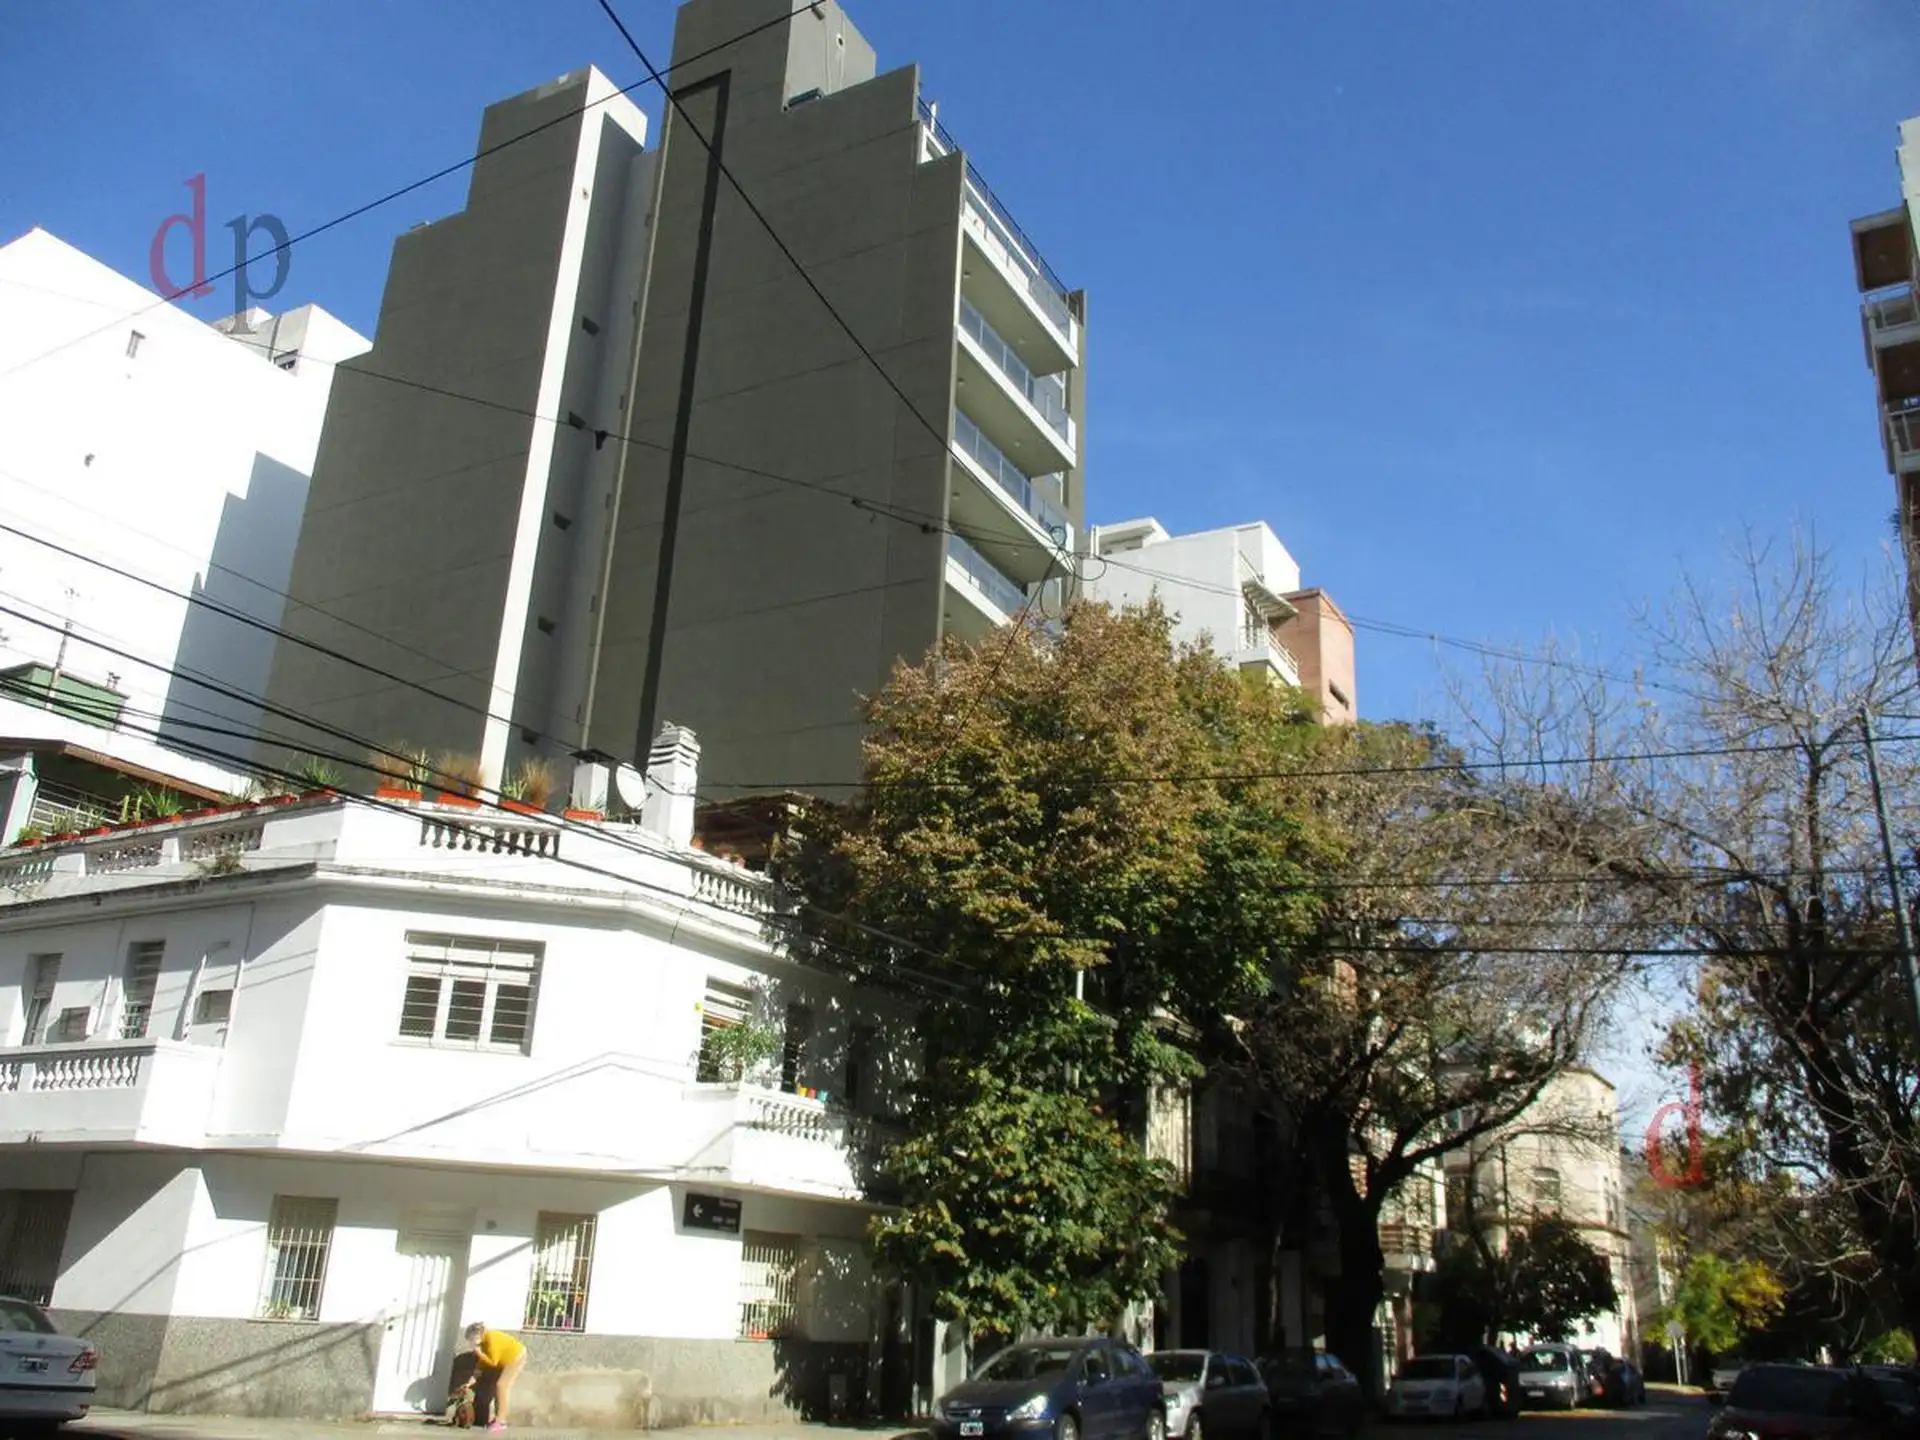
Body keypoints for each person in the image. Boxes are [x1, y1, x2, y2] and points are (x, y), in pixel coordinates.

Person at [463, 1322, 527, 1433]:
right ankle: (500, 1419)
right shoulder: (483, 1342)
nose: (471, 1344)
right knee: (499, 1387)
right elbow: (482, 1363)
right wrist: (472, 1379)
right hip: (507, 1361)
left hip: (516, 1358)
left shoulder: (491, 1338)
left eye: (471, 1340)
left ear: (477, 1335)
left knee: (502, 1386)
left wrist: (478, 1353)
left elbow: (493, 1362)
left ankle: (501, 1421)